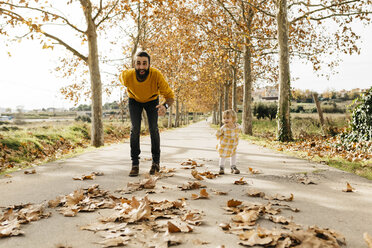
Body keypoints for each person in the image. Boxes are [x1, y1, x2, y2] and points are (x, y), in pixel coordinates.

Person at [119, 51, 174, 177]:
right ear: (134, 64)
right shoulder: (127, 75)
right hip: (134, 101)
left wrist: (164, 106)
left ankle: (156, 163)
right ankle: (135, 164)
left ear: (149, 64)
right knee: (135, 129)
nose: (141, 67)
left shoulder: (156, 75)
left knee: (153, 129)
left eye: (144, 64)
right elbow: (121, 79)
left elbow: (170, 96)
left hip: (152, 101)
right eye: (138, 63)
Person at [216, 109, 241, 175]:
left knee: (233, 155)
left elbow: (239, 131)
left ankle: (233, 167)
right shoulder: (223, 128)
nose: (225, 120)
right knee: (223, 155)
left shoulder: (237, 126)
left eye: (227, 118)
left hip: (233, 145)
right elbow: (218, 133)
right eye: (224, 118)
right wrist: (219, 137)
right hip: (224, 145)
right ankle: (221, 167)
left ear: (233, 119)